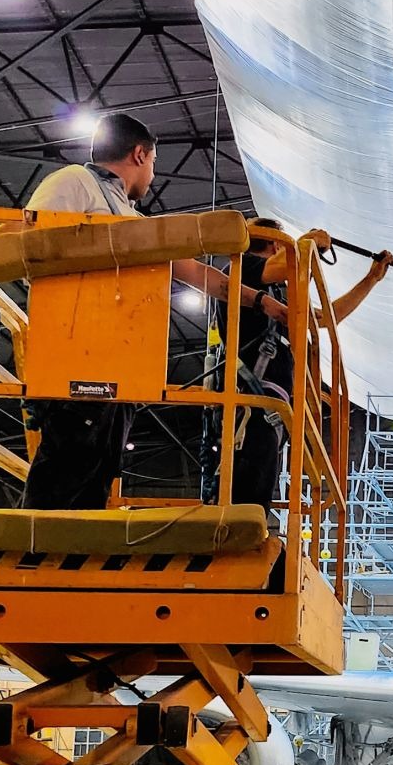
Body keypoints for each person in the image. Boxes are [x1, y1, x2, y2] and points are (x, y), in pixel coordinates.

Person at [18, 114, 234, 509]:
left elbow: (191, 270)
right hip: (76, 359)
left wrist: (260, 301)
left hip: (118, 366)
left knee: (94, 477)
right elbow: (31, 242)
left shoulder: (131, 218)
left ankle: (70, 567)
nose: (152, 175)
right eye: (153, 164)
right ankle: (34, 564)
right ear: (139, 154)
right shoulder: (74, 183)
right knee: (65, 473)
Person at [204, 220, 393, 508]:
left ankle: (247, 535)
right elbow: (286, 267)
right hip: (250, 400)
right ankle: (238, 539)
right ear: (277, 245)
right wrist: (309, 244)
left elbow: (324, 319)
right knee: (245, 490)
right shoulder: (242, 269)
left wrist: (370, 279)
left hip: (268, 406)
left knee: (257, 483)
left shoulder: (276, 294)